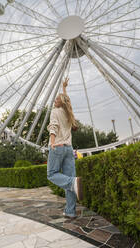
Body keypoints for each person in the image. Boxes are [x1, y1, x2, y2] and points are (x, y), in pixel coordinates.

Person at [47, 77, 83, 219]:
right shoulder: (69, 113)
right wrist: (64, 88)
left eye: (56, 99)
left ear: (60, 103)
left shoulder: (55, 111)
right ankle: (70, 211)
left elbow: (53, 127)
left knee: (52, 174)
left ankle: (73, 182)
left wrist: (52, 142)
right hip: (69, 149)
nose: (54, 101)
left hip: (58, 147)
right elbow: (67, 101)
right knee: (70, 180)